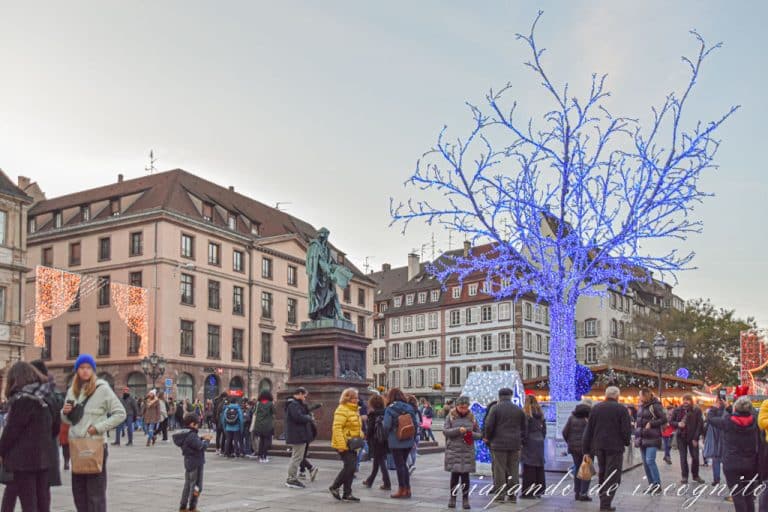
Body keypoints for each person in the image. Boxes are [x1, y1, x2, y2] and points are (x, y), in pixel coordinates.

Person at [61, 354, 126, 512]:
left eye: (88, 368)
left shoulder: (102, 389)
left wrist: (98, 427)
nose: (85, 371)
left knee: (95, 493)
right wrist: (64, 412)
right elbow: (69, 420)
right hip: (76, 445)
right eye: (82, 368)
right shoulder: (72, 391)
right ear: (77, 370)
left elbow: (120, 414)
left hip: (95, 445)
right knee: (79, 492)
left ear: (93, 371)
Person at [0, 362, 58, 512]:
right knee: (42, 501)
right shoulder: (45, 397)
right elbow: (55, 427)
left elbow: (11, 431)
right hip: (44, 458)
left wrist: (1, 451)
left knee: (29, 503)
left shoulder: (23, 400)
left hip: (24, 461)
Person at [582, 386, 632, 512]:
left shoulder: (596, 408)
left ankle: (603, 501)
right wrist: (626, 442)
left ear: (606, 395)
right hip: (615, 447)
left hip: (599, 446)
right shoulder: (622, 409)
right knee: (613, 475)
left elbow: (589, 430)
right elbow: (626, 430)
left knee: (603, 473)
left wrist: (586, 449)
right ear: (617, 396)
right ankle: (605, 504)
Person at [708, 396, 759, 512]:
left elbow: (711, 419)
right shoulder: (755, 421)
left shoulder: (728, 422)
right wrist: (730, 407)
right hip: (750, 463)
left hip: (732, 463)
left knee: (737, 495)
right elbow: (745, 416)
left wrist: (714, 408)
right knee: (748, 495)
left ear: (736, 408)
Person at [483, 388, 527, 504]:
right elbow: (524, 427)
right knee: (513, 470)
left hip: (498, 444)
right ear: (511, 396)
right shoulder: (518, 409)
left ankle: (500, 495)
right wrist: (521, 440)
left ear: (499, 396)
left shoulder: (495, 408)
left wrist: (489, 438)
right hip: (515, 444)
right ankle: (512, 495)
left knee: (499, 470)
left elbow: (488, 425)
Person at [443, 396, 481, 509]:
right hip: (454, 450)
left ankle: (465, 499)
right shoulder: (450, 416)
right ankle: (452, 498)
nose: (463, 409)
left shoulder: (472, 417)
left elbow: (479, 434)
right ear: (457, 406)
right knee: (454, 476)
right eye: (461, 407)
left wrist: (469, 433)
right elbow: (445, 431)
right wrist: (458, 430)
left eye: (465, 407)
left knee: (465, 476)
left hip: (467, 451)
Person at [382, 387, 418, 499]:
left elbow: (386, 425)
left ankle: (402, 490)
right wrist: (413, 437)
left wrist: (386, 434)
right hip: (408, 440)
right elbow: (415, 424)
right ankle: (408, 489)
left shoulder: (389, 408)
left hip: (396, 440)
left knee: (399, 466)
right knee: (404, 465)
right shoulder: (409, 407)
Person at [329, 388, 364, 502]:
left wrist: (361, 435)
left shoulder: (354, 410)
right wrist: (341, 445)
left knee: (351, 468)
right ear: (347, 398)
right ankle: (335, 486)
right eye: (354, 398)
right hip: (344, 443)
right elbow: (337, 428)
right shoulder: (342, 409)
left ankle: (347, 493)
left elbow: (355, 426)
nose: (357, 400)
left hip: (352, 443)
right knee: (351, 467)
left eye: (357, 398)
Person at [174, 413, 211, 512]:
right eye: (197, 424)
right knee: (197, 486)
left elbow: (192, 443)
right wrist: (207, 440)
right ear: (192, 424)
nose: (198, 426)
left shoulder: (185, 434)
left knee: (187, 485)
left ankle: (183, 506)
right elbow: (201, 447)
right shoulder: (192, 435)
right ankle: (192, 507)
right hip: (196, 463)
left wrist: (201, 438)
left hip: (188, 462)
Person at [670, 394, 705, 484]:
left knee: (695, 457)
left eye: (688, 400)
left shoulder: (696, 410)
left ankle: (695, 475)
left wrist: (696, 438)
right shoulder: (677, 410)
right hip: (681, 437)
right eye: (684, 399)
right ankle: (684, 476)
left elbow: (699, 425)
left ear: (691, 401)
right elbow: (671, 422)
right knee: (683, 457)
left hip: (693, 437)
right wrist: (678, 424)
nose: (686, 401)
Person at [285, 387, 315, 489]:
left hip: (300, 434)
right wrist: (309, 418)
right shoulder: (293, 405)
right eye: (304, 395)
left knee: (297, 457)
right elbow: (298, 417)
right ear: (300, 394)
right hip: (298, 435)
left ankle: (291, 478)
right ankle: (291, 479)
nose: (305, 398)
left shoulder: (297, 404)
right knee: (297, 457)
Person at [636, 389, 666, 491]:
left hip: (653, 438)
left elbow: (663, 419)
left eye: (640, 395)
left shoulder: (655, 405)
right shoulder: (641, 406)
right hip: (642, 438)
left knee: (650, 461)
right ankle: (651, 484)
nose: (639, 397)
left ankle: (657, 485)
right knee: (645, 463)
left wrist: (652, 423)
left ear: (645, 396)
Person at [562, 400, 592, 502]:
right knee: (586, 471)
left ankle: (577, 492)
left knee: (577, 469)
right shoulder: (588, 419)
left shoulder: (571, 418)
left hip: (574, 449)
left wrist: (570, 442)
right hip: (587, 449)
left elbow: (564, 432)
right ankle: (583, 493)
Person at [520, 395, 546, 499]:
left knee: (528, 467)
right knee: (539, 467)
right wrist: (541, 437)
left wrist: (523, 441)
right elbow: (544, 430)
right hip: (539, 441)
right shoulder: (541, 414)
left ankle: (528, 492)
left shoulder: (526, 414)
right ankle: (539, 490)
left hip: (530, 442)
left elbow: (524, 430)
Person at [362, 394, 390, 490]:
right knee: (377, 462)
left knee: (381, 461)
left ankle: (387, 483)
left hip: (376, 440)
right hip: (384, 440)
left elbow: (370, 429)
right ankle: (370, 480)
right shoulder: (386, 412)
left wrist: (366, 437)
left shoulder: (372, 414)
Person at [705, 398, 729, 487]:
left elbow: (709, 420)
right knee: (725, 460)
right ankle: (728, 479)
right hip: (725, 437)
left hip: (715, 437)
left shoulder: (714, 412)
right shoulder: (727, 412)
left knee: (716, 459)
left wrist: (713, 408)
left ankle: (716, 479)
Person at [250, 390, 275, 463]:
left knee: (261, 441)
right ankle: (265, 456)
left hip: (259, 425)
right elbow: (274, 413)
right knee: (266, 441)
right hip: (267, 426)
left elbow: (254, 413)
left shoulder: (258, 404)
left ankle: (260, 456)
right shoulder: (270, 404)